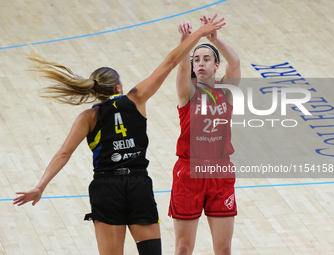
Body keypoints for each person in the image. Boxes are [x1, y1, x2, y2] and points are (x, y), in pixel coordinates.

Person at [12, 15, 226, 255]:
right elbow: (169, 62)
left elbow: (64, 153)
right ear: (118, 88)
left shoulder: (88, 117)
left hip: (106, 188)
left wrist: (40, 186)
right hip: (138, 185)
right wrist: (198, 33)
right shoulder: (136, 98)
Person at [168, 16, 241, 255]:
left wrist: (215, 40)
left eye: (206, 59)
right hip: (189, 171)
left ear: (215, 65)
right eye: (196, 59)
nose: (200, 63)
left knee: (224, 249)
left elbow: (236, 63)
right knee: (183, 248)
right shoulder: (187, 93)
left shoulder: (225, 91)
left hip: (220, 171)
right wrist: (189, 38)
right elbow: (180, 65)